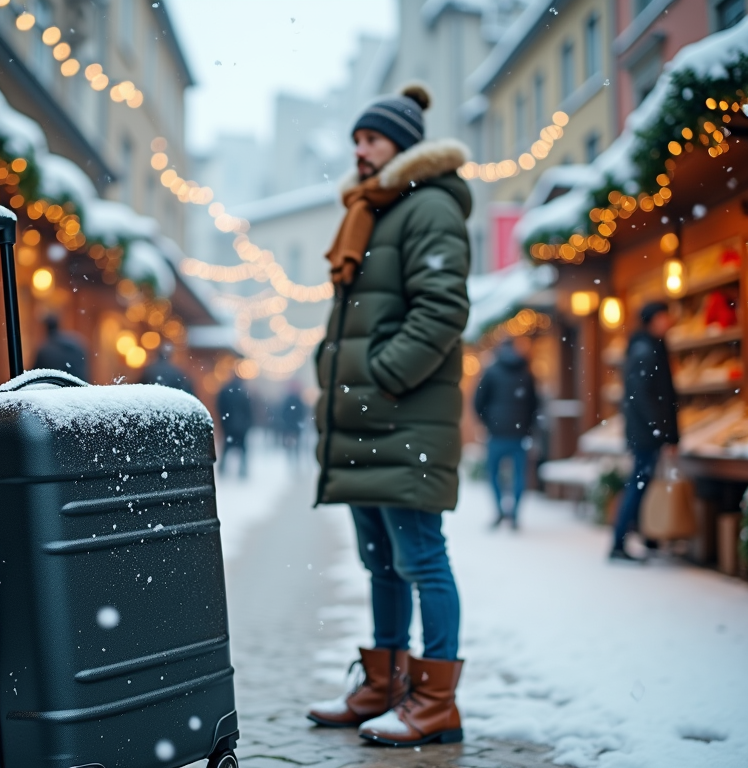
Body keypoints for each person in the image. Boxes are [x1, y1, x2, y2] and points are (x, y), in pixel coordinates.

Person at [309, 83, 471, 748]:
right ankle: (385, 684)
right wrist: (333, 369)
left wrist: (381, 377)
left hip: (405, 419)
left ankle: (436, 703)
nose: (360, 150)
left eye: (371, 138)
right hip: (365, 420)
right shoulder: (371, 211)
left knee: (420, 559)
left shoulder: (427, 206)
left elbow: (443, 308)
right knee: (380, 563)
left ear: (402, 143)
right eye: (356, 139)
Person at [610, 301, 679, 562]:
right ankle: (619, 542)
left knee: (642, 484)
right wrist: (662, 431)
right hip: (646, 433)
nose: (668, 322)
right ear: (653, 319)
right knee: (638, 485)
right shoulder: (645, 350)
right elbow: (646, 398)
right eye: (664, 317)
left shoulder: (648, 347)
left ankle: (643, 537)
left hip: (646, 431)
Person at [473, 338, 539, 529]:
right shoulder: (526, 372)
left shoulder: (491, 371)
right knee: (520, 475)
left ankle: (500, 510)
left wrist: (488, 422)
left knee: (493, 474)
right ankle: (515, 513)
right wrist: (527, 426)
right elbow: (535, 404)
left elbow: (478, 401)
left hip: (496, 433)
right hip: (519, 434)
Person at [217, 374, 253, 478]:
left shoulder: (226, 390)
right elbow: (248, 409)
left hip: (229, 424)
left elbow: (221, 406)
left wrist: (224, 420)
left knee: (227, 447)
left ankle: (223, 469)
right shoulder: (243, 391)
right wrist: (247, 423)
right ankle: (242, 470)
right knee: (242, 449)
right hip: (241, 425)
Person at [33, 314, 88, 381]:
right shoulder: (76, 342)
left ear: (45, 328)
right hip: (77, 385)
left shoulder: (45, 350)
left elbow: (35, 374)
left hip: (56, 388)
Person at [279, 386, 306, 464]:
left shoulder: (289, 400)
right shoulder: (297, 401)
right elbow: (301, 413)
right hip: (295, 426)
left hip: (291, 426)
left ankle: (292, 458)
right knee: (295, 444)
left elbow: (284, 413)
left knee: (291, 444)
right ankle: (294, 458)